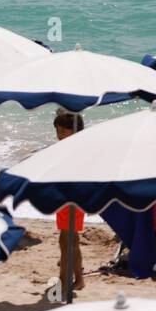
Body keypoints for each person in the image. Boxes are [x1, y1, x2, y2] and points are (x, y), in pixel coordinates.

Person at [54, 110, 86, 297]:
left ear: (73, 131)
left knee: (68, 240)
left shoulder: (76, 149)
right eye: (57, 130)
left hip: (74, 197)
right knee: (68, 239)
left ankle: (64, 280)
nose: (58, 134)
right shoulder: (67, 147)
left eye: (63, 131)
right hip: (66, 197)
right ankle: (78, 280)